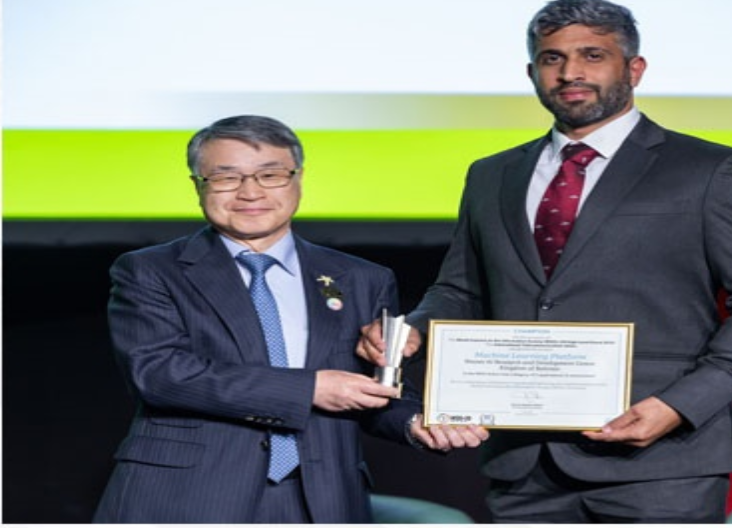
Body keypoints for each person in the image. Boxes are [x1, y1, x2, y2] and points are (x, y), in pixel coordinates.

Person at [359, 0, 732, 523]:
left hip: (660, 463)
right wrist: (413, 329)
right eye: (553, 58)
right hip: (524, 463)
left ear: (634, 68)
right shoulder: (491, 175)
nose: (570, 72)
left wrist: (678, 406)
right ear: (532, 72)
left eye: (593, 55)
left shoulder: (712, 170)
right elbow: (462, 289)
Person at [93, 115, 483, 523]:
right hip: (189, 496)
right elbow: (159, 374)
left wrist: (415, 422)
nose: (250, 192)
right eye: (226, 177)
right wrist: (310, 388)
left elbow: (373, 389)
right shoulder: (151, 270)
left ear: (298, 179)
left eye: (271, 175)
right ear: (198, 186)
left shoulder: (361, 278)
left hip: (324, 500)